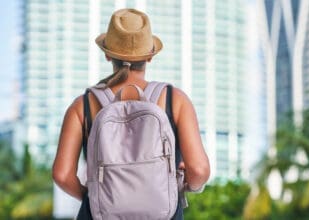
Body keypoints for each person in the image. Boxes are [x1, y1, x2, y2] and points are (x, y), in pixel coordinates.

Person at [52, 8, 210, 218]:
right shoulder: (175, 99)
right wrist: (185, 186)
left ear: (108, 55)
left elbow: (62, 175)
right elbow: (199, 170)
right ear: (150, 57)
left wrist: (96, 198)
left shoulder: (82, 106)